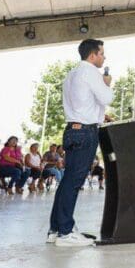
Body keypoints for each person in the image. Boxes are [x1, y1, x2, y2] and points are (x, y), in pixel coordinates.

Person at [48, 38, 114, 247]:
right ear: (92, 55)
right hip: (85, 132)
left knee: (68, 181)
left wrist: (100, 115)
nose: (104, 57)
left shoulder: (72, 74)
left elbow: (83, 103)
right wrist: (106, 83)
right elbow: (107, 98)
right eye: (102, 53)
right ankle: (65, 233)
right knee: (74, 182)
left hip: (73, 130)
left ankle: (56, 229)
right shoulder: (91, 72)